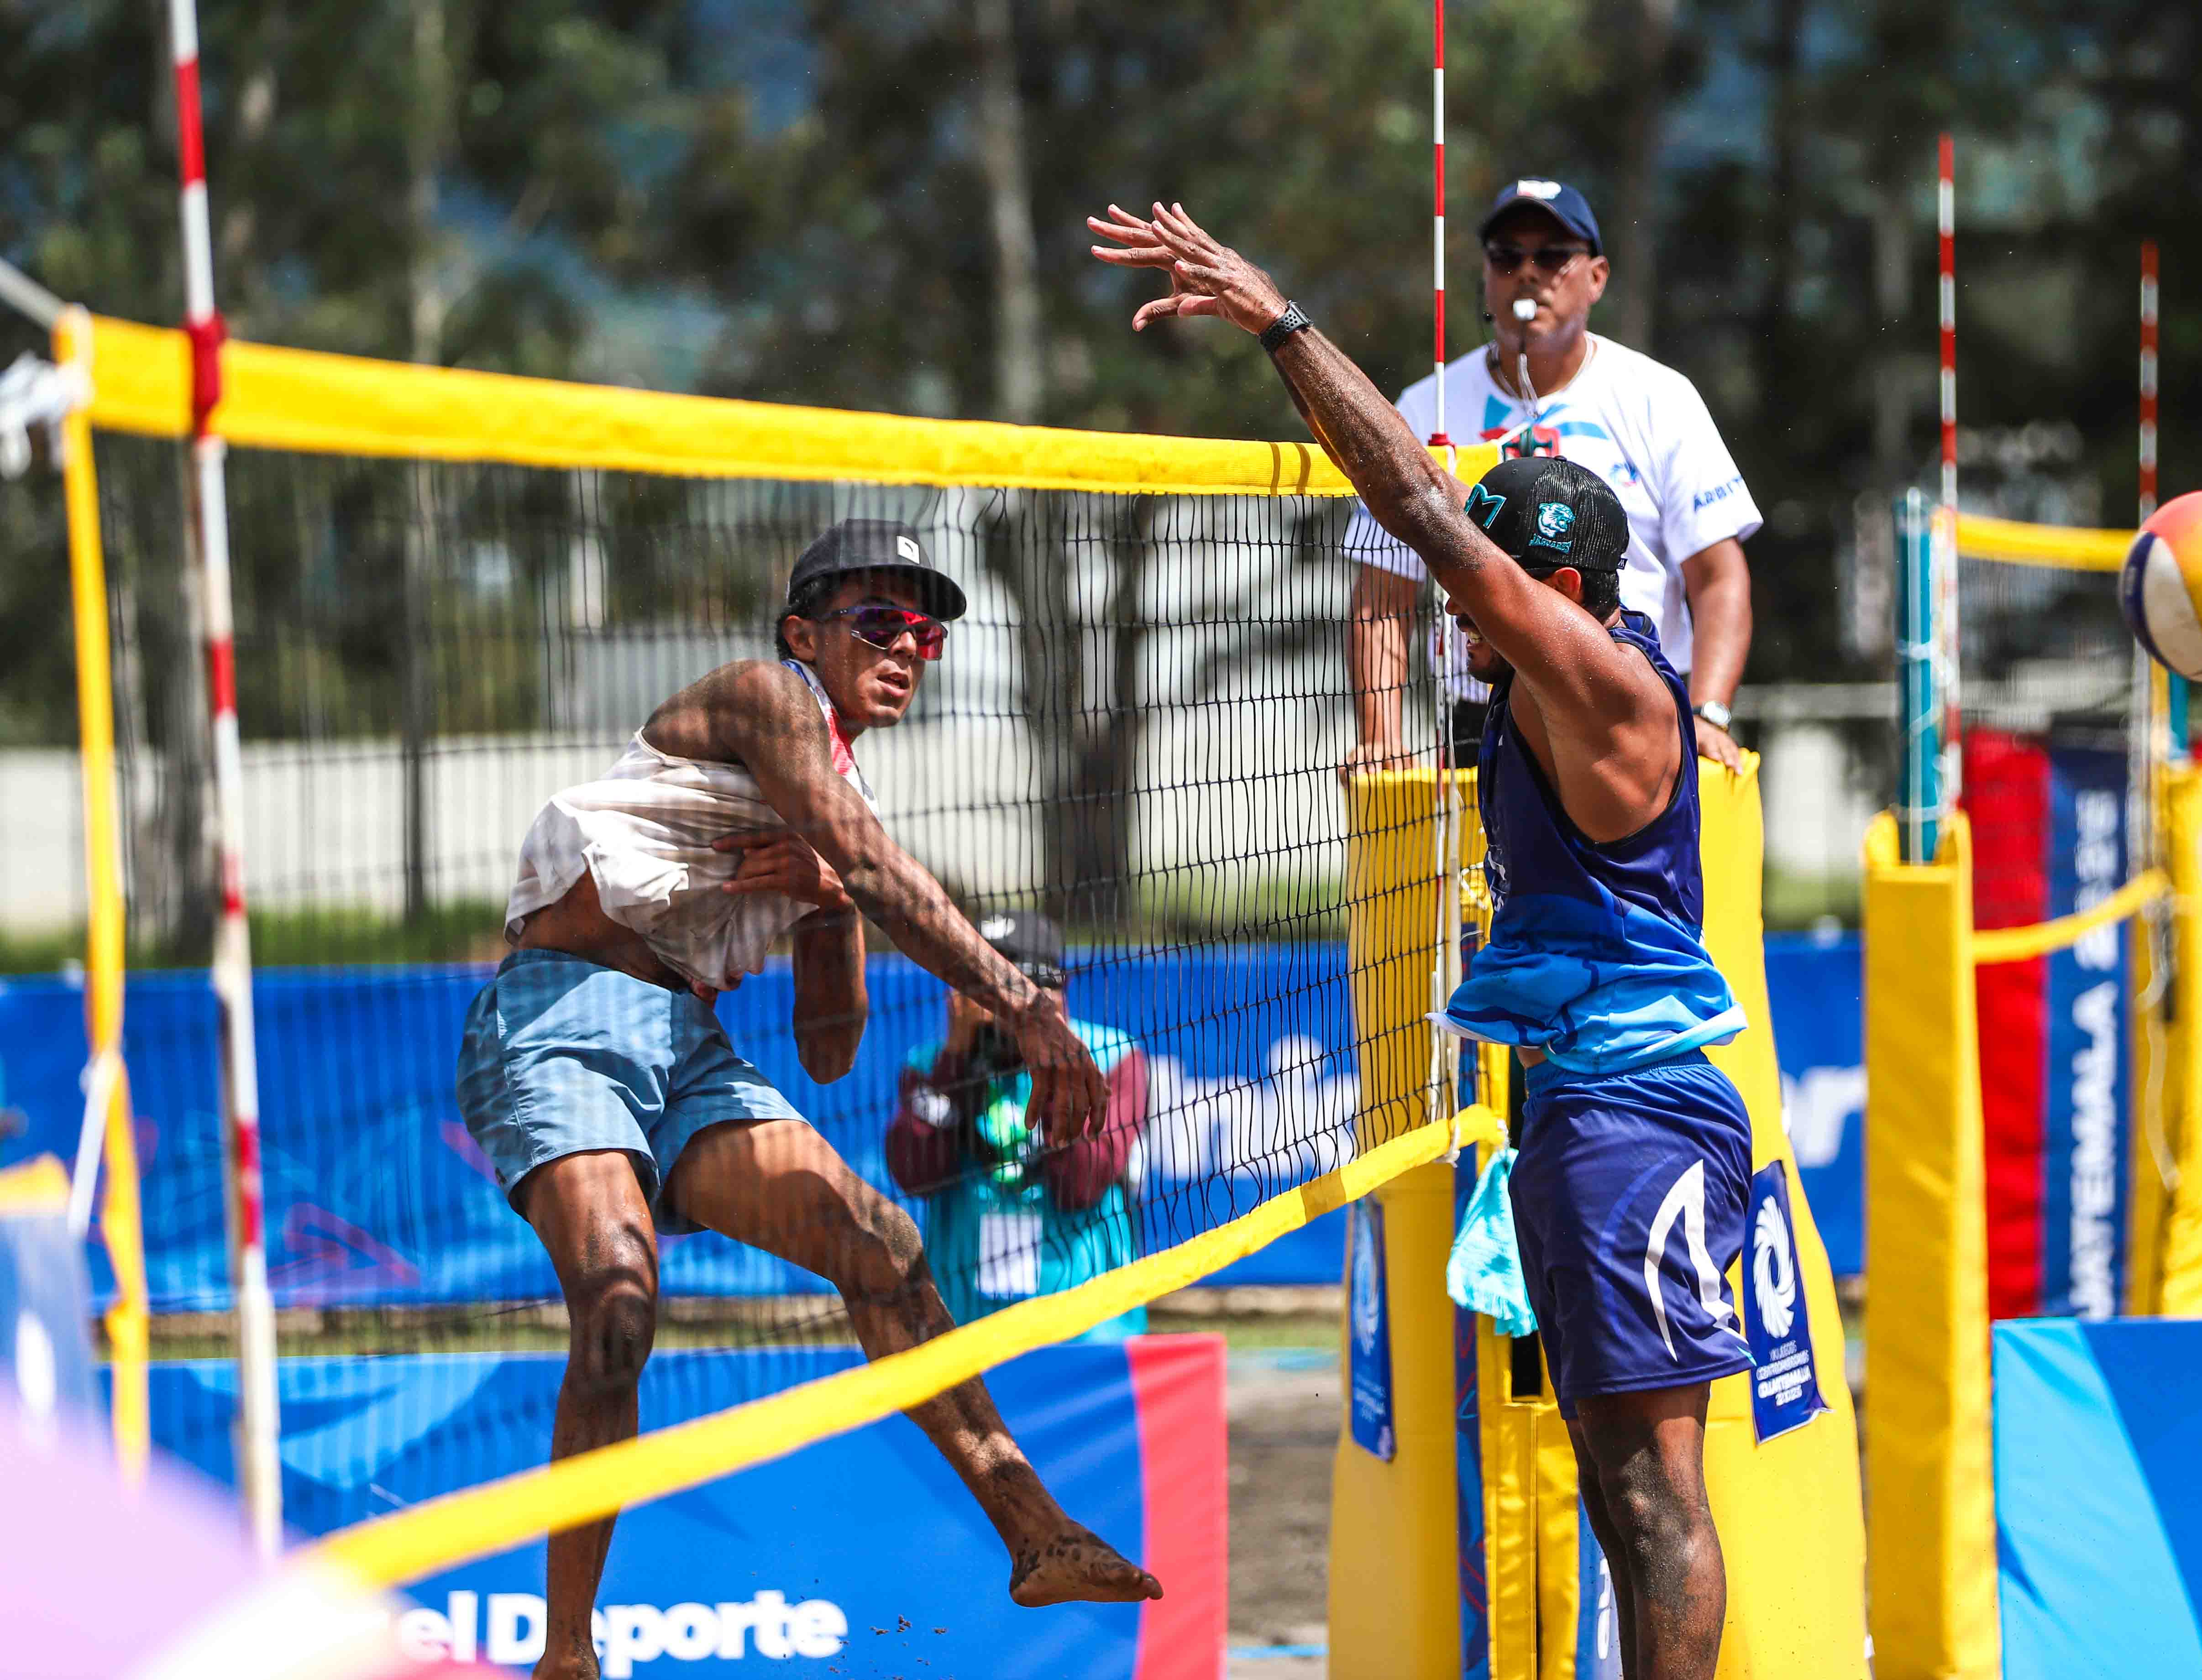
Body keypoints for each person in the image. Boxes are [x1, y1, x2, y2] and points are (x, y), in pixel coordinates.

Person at [1092, 201, 1753, 1680]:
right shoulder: (1550, 690)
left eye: (1496, 582)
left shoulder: (1604, 686)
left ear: (1559, 596)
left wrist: (1276, 318)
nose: (1465, 613)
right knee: (1614, 1483)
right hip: (1586, 1102)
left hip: (1637, 1112)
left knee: (1656, 1498)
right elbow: (1429, 533)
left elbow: (1416, 508)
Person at [454, 519, 1159, 1680]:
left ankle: (1036, 1531)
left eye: (925, 632)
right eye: (879, 622)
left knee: (882, 1243)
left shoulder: (836, 792)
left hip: (687, 1043)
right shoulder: (762, 697)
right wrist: (1025, 1003)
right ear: (803, 634)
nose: (909, 647)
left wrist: (828, 908)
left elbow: (828, 1049)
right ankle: (566, 1652)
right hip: (560, 1018)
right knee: (621, 1302)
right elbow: (878, 866)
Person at [1344, 178, 1760, 775]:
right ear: (1486, 275)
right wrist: (1381, 735)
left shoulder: (1660, 397)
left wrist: (1709, 713)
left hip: (1625, 714)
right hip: (1478, 722)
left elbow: (1719, 578)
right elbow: (1384, 594)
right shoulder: (1423, 408)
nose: (1528, 273)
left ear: (1597, 277)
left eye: (1553, 256)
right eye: (1507, 257)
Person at [886, 909, 1151, 1340]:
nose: (1002, 1007)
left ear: (1055, 990)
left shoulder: (1112, 1058)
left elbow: (1080, 1184)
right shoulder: (928, 1064)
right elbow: (915, 1176)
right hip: (968, 1333)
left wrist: (1050, 1055)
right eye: (986, 989)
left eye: (1013, 989)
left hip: (1089, 1332)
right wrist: (955, 1062)